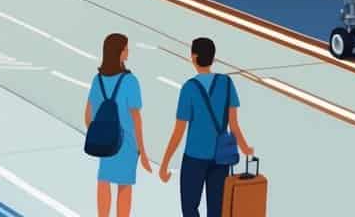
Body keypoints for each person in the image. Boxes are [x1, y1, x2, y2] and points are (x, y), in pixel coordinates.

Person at [157, 37, 254, 217]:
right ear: (213, 58)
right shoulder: (226, 83)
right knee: (217, 210)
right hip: (220, 157)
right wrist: (245, 147)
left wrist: (165, 163)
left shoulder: (189, 88)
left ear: (193, 57)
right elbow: (234, 125)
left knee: (190, 207)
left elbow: (179, 131)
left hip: (194, 157)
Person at [84, 33, 151, 217]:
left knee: (104, 180)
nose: (128, 51)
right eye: (126, 48)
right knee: (125, 186)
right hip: (127, 142)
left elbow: (88, 116)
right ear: (120, 53)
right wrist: (142, 150)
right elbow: (136, 118)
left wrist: (100, 132)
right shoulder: (130, 81)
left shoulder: (97, 80)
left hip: (107, 139)